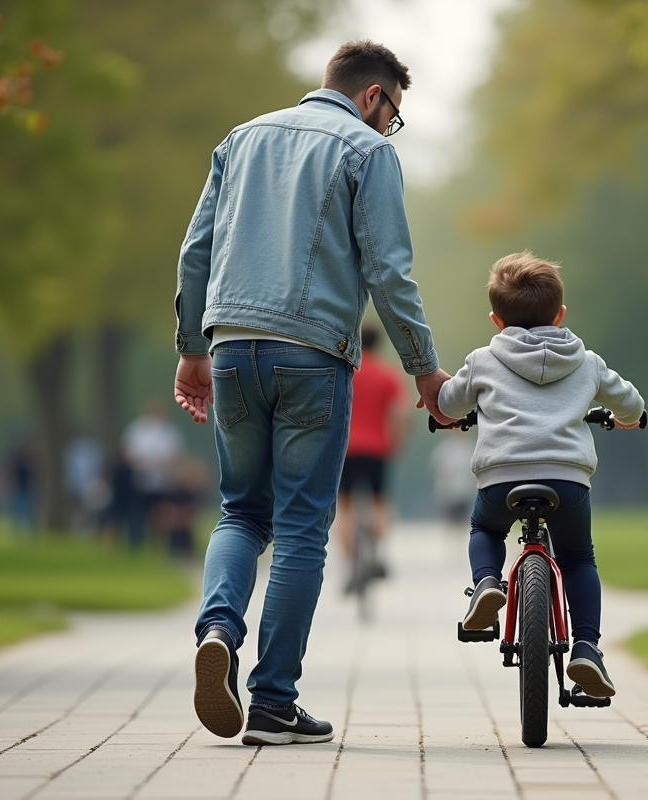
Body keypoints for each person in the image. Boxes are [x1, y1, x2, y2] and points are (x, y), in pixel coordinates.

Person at [172, 41, 452, 746]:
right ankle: (271, 702)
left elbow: (195, 250)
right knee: (300, 527)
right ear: (372, 96)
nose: (390, 127)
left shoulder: (241, 138)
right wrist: (425, 369)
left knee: (240, 512)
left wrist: (190, 349)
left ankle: (217, 628)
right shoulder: (366, 151)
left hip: (231, 347)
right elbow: (389, 271)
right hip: (313, 355)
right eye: (393, 113)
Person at [437, 252, 644, 700]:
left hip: (500, 477)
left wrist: (450, 409)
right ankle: (587, 647)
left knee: (483, 527)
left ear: (496, 319)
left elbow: (450, 404)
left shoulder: (482, 359)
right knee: (577, 559)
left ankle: (488, 584)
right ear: (560, 314)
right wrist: (628, 417)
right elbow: (631, 402)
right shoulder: (587, 361)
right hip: (567, 480)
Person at [335, 325, 407, 589]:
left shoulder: (345, 371)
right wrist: (396, 442)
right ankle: (375, 554)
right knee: (379, 502)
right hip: (377, 449)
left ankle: (350, 562)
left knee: (343, 507)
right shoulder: (387, 375)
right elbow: (401, 413)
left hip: (344, 449)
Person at [121, 400, 184, 547]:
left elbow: (176, 456)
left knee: (161, 515)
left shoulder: (170, 432)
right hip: (140, 480)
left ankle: (160, 544)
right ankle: (136, 543)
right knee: (137, 514)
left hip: (162, 482)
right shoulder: (136, 430)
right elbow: (127, 455)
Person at [428, 428, 476, 533]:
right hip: (448, 493)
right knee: (451, 522)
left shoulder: (471, 448)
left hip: (465, 492)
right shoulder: (444, 449)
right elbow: (437, 470)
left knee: (463, 521)